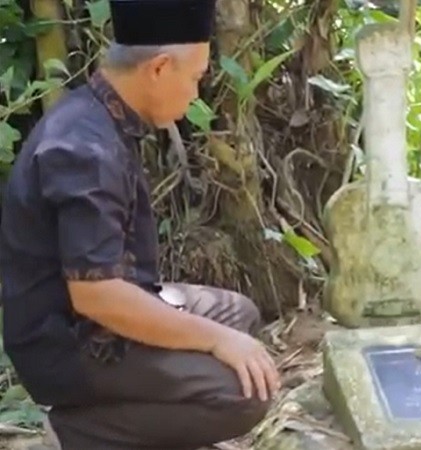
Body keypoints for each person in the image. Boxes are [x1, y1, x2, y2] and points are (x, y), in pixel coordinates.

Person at [0, 0, 280, 448]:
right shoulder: (82, 150)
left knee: (238, 315)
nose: (195, 95)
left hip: (94, 316)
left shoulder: (99, 113)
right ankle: (78, 433)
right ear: (159, 68)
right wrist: (213, 342)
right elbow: (97, 296)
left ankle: (123, 411)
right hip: (70, 346)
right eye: (194, 78)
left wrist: (219, 336)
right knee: (241, 395)